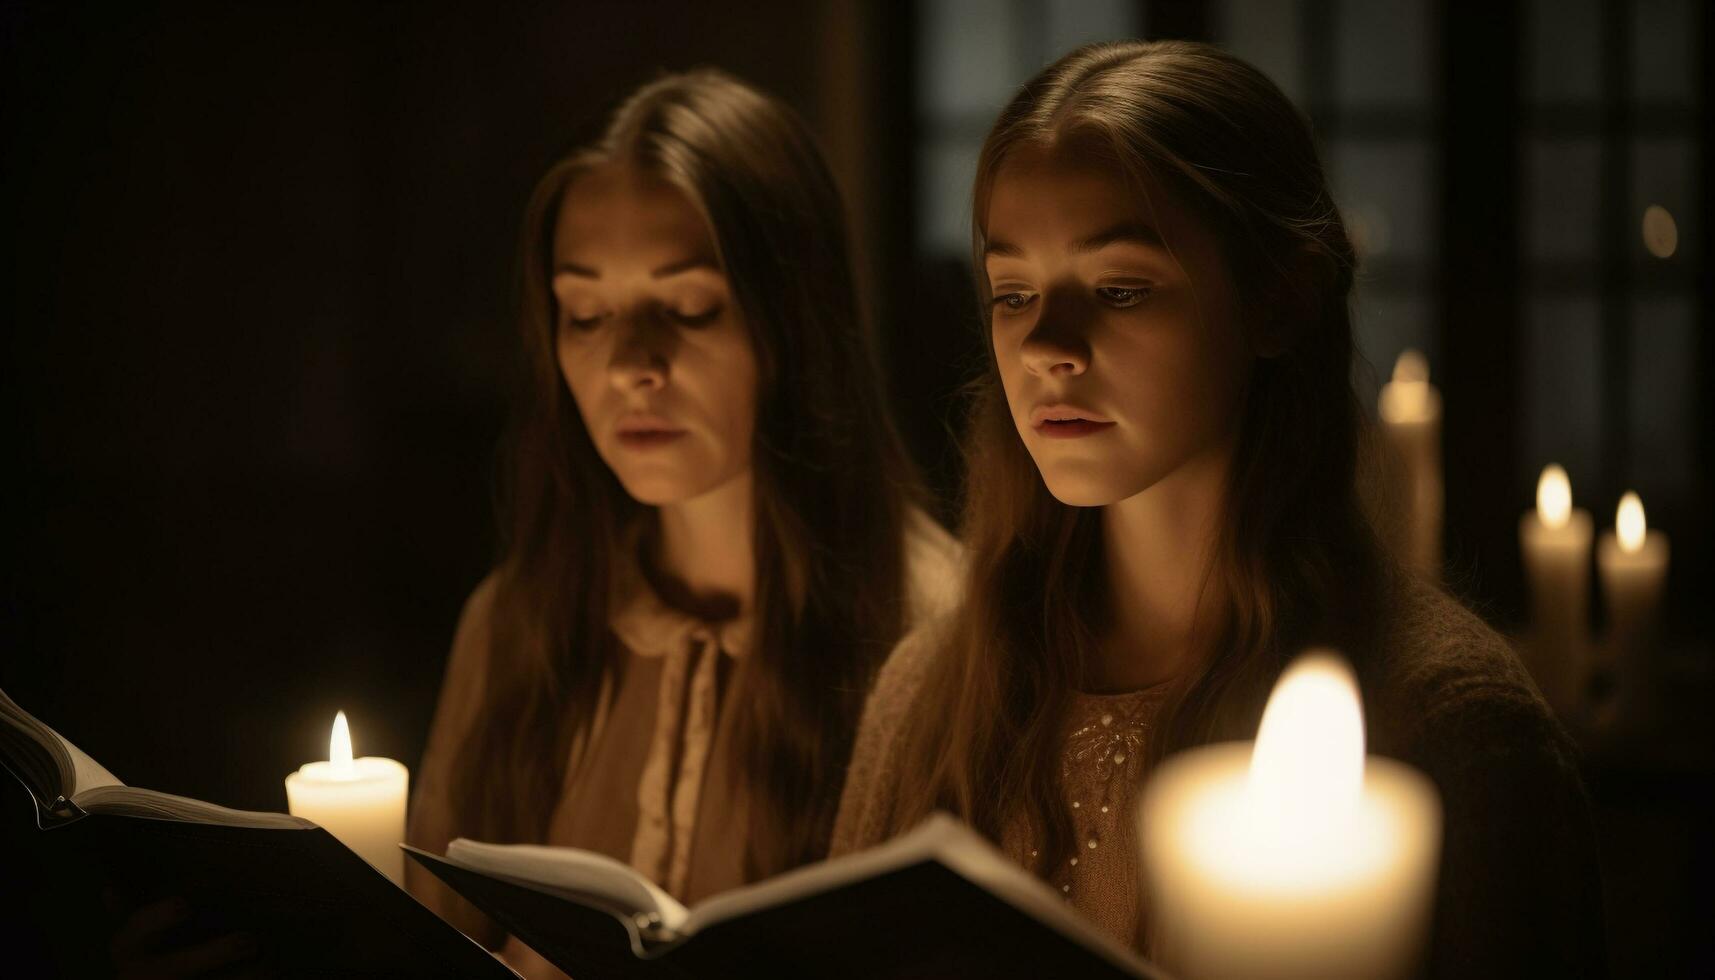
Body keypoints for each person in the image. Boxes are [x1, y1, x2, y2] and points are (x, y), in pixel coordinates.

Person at [832, 40, 1604, 977]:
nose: (1046, 346)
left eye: (1118, 288)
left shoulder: (1443, 725)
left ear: (1278, 301)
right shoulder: (934, 691)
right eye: (1013, 293)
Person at [407, 69, 958, 978]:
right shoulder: (519, 620)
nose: (630, 364)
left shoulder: (934, 639)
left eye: (689, 307)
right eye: (585, 313)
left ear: (791, 322)